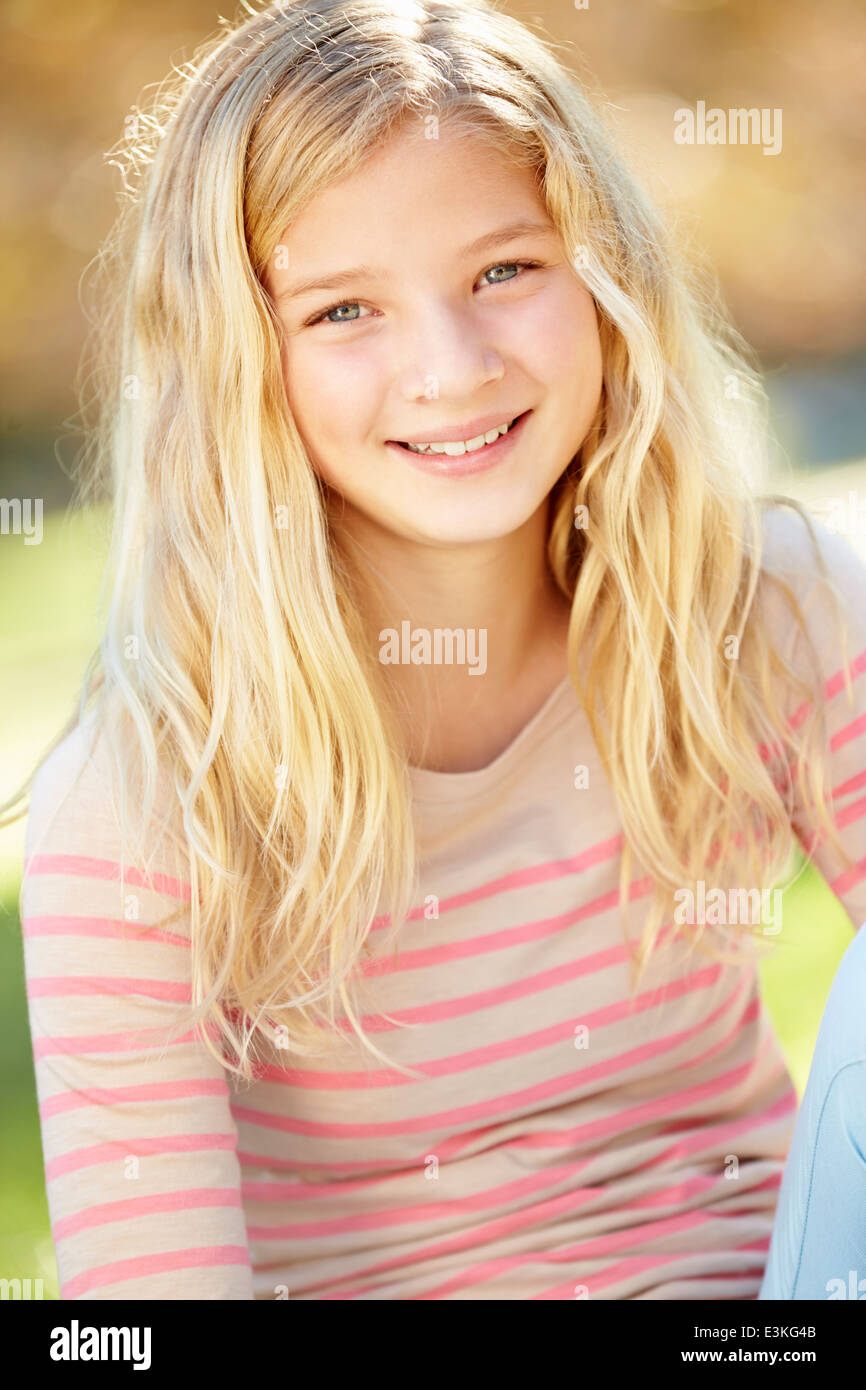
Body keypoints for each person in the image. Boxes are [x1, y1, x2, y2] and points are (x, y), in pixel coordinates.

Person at [6, 0, 866, 1300]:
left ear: (605, 279)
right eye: (344, 309)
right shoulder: (138, 807)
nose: (449, 367)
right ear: (240, 359)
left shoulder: (765, 613)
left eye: (504, 271)